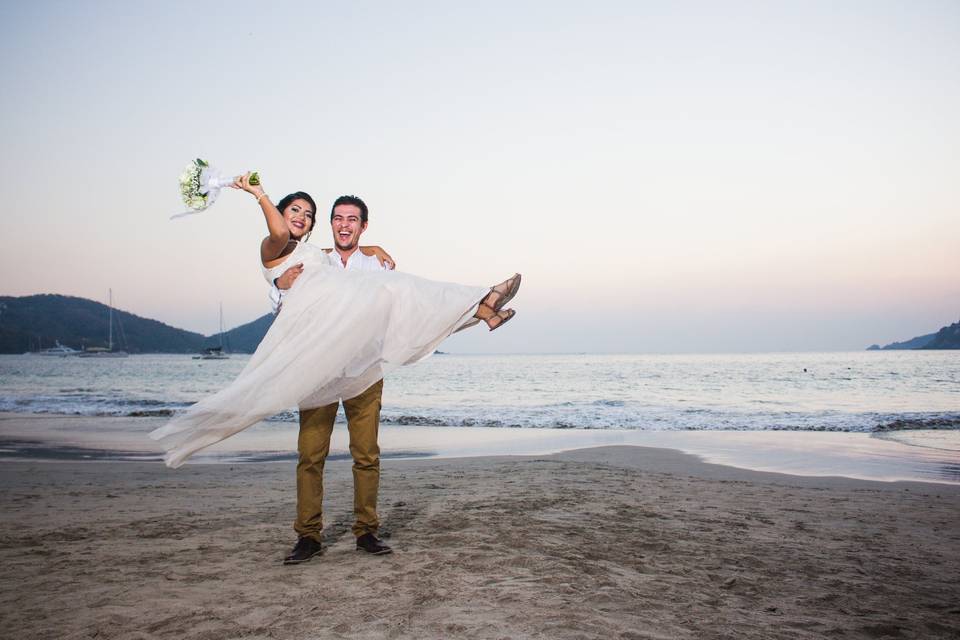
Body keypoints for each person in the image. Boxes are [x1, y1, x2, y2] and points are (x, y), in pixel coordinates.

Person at [149, 173, 521, 558]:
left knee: (366, 454)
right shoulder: (314, 262)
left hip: (362, 371)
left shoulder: (376, 265)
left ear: (362, 226)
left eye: (352, 220)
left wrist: (372, 249)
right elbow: (283, 301)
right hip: (316, 371)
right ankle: (308, 536)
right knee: (311, 455)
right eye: (336, 219)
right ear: (329, 225)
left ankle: (366, 532)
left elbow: (401, 311)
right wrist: (281, 286)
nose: (344, 225)